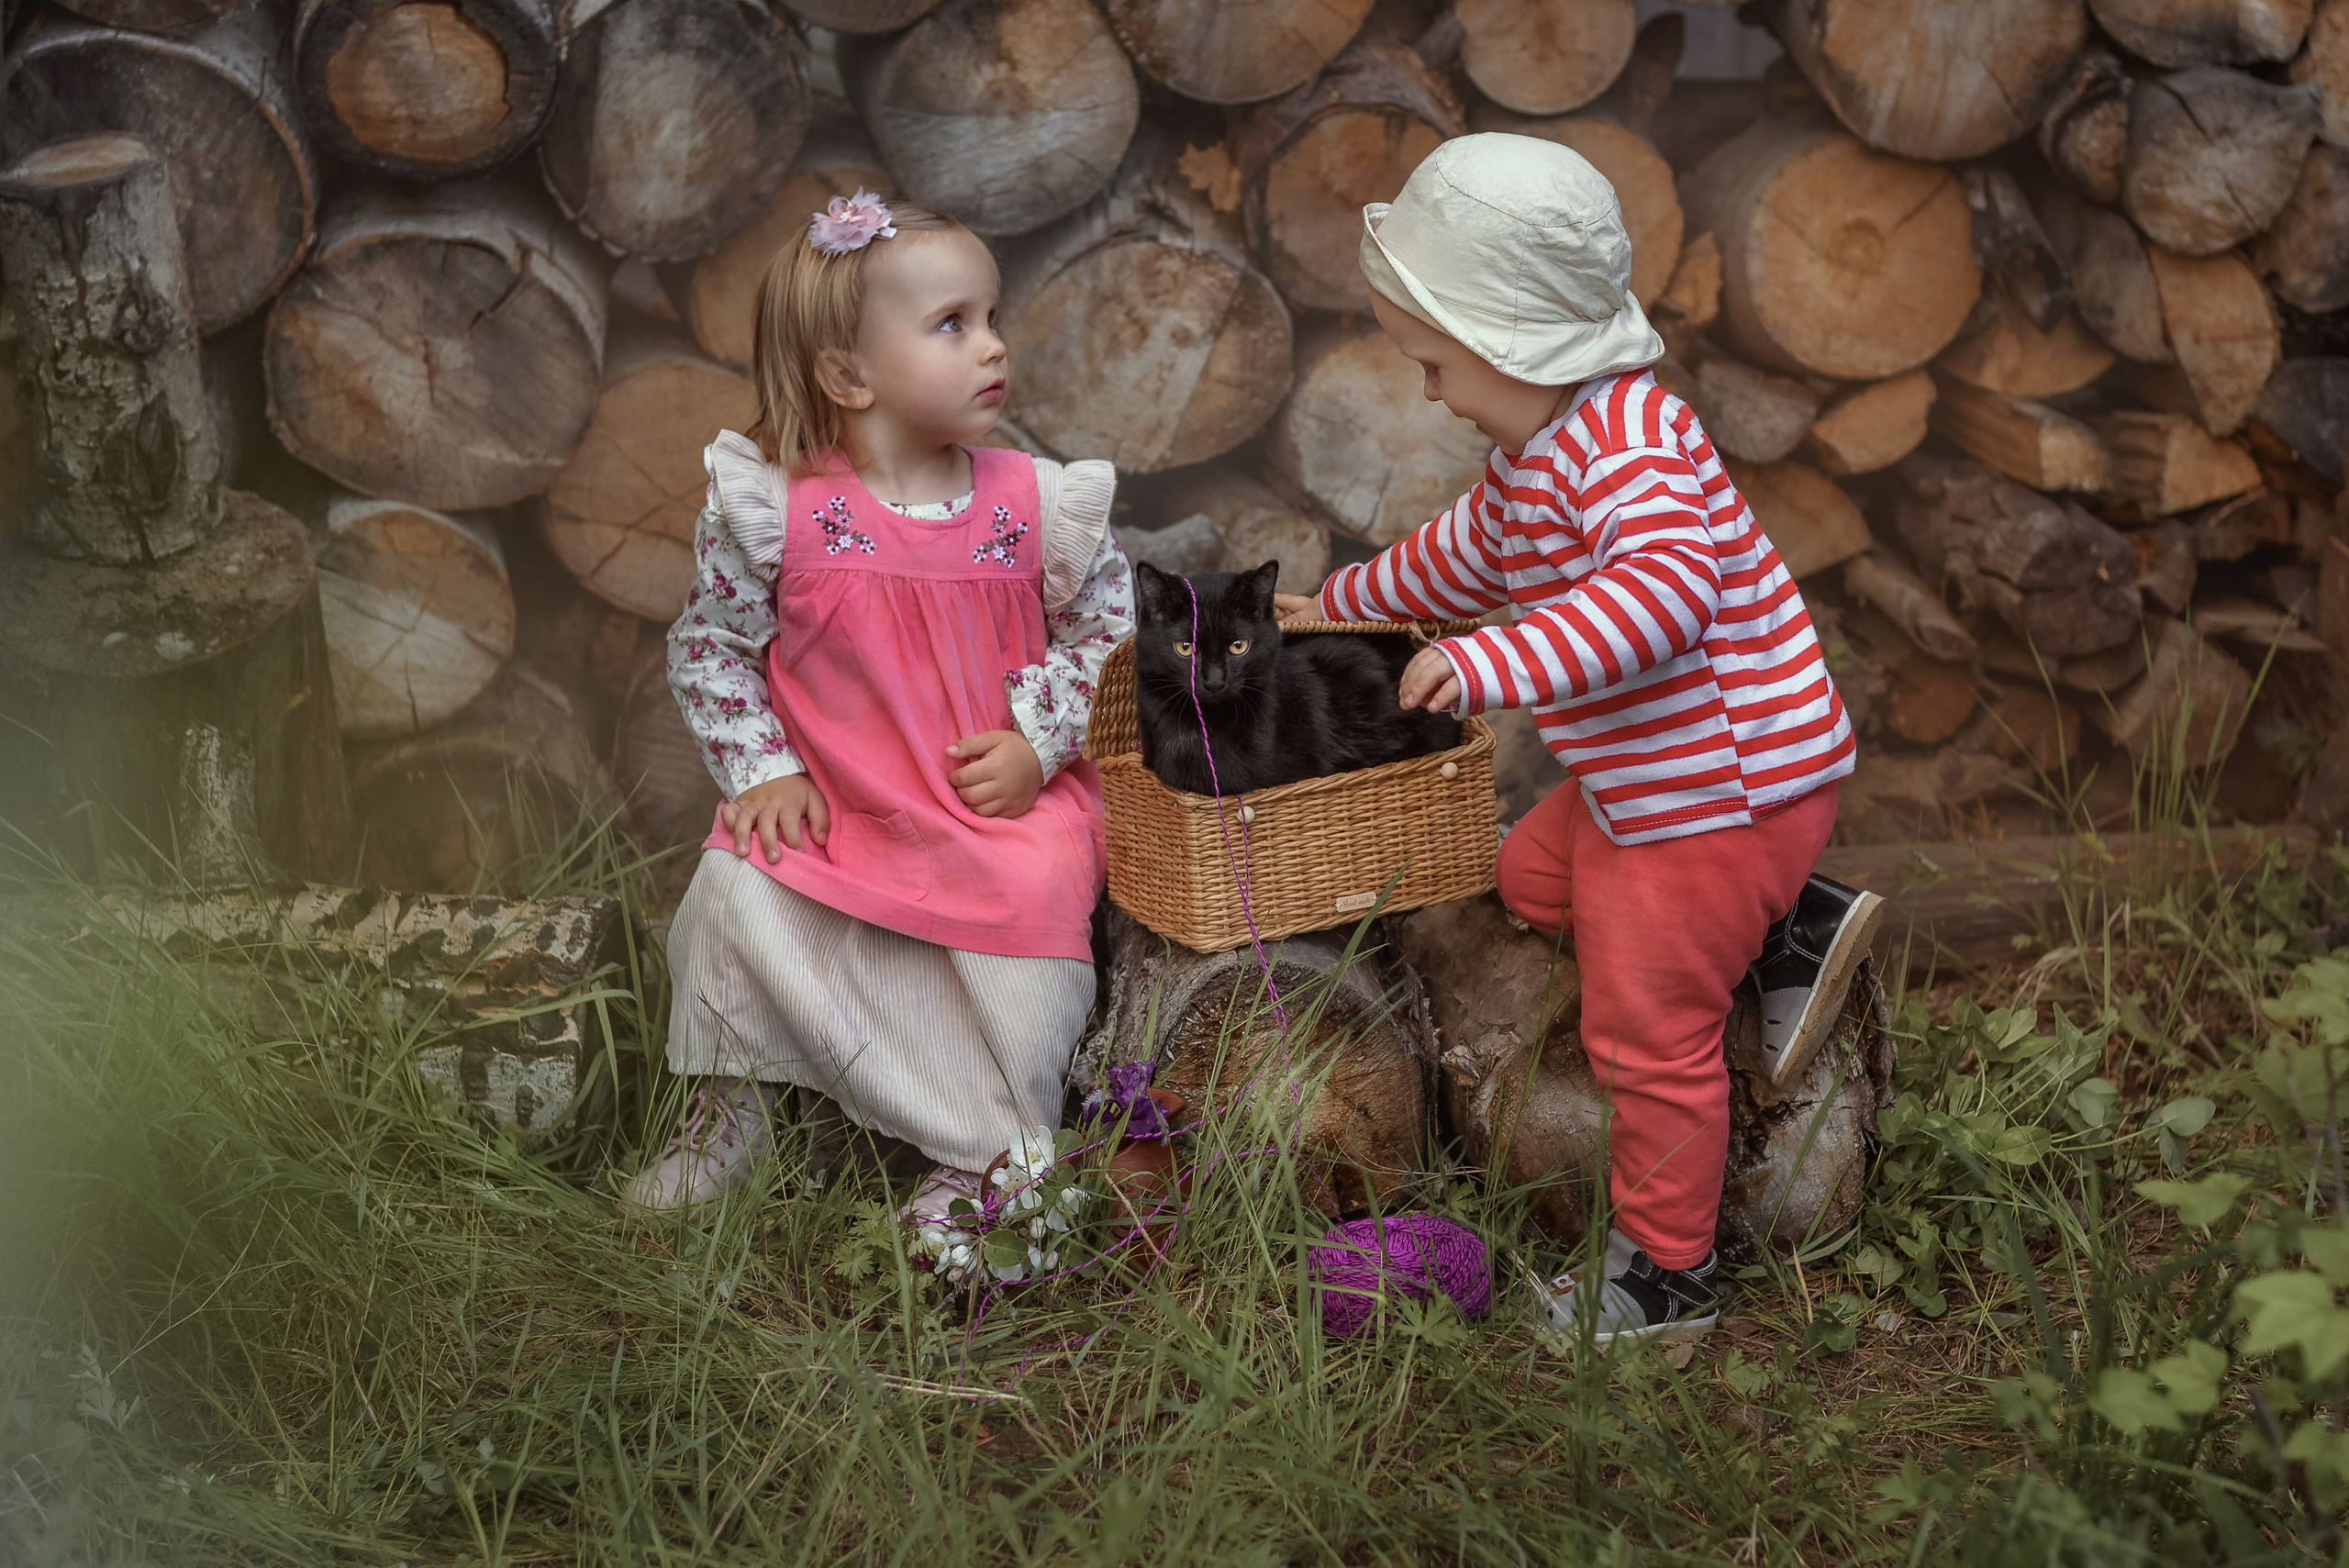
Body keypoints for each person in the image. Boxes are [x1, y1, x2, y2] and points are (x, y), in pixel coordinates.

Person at [1274, 135, 1883, 1344]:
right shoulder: (1541, 453)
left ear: (1511, 343)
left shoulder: (1636, 453)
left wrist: (1487, 661)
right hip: (1654, 785)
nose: (1435, 391)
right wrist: (1344, 606)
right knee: (1527, 877)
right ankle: (1790, 918)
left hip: (1719, 797)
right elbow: (1463, 555)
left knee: (1641, 1025)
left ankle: (1666, 1275)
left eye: (1438, 365)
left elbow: (1662, 597)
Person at [626, 189, 1131, 1226]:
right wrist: (764, 769)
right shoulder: (782, 509)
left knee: (1035, 889)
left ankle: (990, 1149)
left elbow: (1110, 640)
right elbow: (712, 644)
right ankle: (741, 1106)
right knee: (735, 887)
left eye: (991, 317)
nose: (993, 347)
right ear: (848, 373)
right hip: (842, 806)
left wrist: (1040, 744)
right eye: (953, 324)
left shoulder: (1034, 504)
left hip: (986, 809)